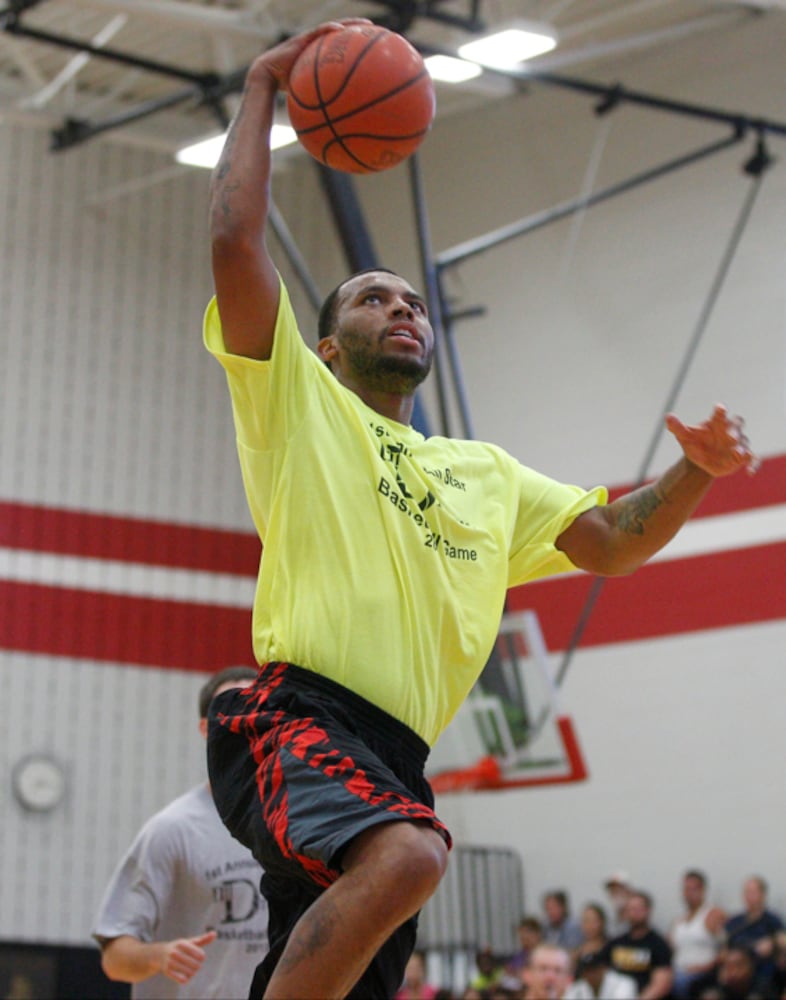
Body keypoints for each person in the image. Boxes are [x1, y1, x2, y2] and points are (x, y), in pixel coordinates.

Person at [202, 17, 758, 999]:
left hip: (394, 759)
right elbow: (233, 240)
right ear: (327, 348)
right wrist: (259, 91)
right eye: (375, 299)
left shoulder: (487, 473)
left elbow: (617, 543)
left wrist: (696, 472)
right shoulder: (299, 404)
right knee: (412, 858)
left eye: (413, 301)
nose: (404, 309)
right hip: (294, 718)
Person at [93, 665, 268, 999]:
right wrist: (158, 956)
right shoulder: (172, 830)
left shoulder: (298, 828)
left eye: (255, 709)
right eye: (229, 711)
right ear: (206, 729)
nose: (243, 721)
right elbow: (115, 958)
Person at [605, 890, 674, 998]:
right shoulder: (616, 943)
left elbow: (661, 984)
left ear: (648, 911)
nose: (634, 913)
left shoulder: (658, 945)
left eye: (639, 909)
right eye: (631, 909)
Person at [670, 869, 726, 999]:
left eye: (693, 889)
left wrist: (707, 967)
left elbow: (727, 948)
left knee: (681, 984)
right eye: (686, 889)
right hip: (677, 970)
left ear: (703, 890)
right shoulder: (678, 921)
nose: (689, 894)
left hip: (702, 973)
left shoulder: (713, 914)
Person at [723, 875, 784, 984]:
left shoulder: (772, 920)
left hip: (762, 972)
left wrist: (772, 942)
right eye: (747, 892)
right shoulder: (734, 922)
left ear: (763, 895)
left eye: (753, 892)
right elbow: (724, 947)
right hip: (735, 971)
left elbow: (782, 939)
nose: (749, 896)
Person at [563, 950, 637, 1000]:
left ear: (603, 969)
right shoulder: (579, 987)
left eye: (594, 970)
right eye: (587, 971)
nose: (590, 975)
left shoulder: (624, 983)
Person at [604, 872, 634, 937]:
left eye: (620, 890)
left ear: (629, 891)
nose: (616, 895)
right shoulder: (608, 919)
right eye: (613, 891)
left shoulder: (638, 918)